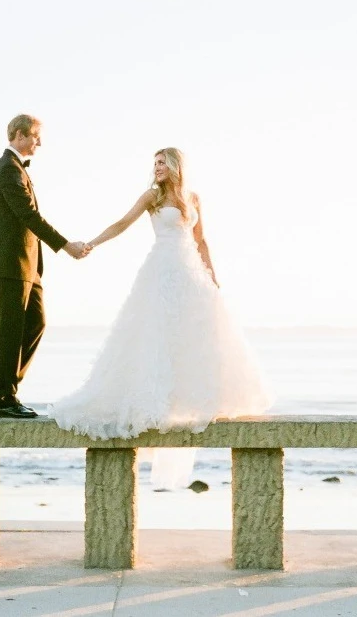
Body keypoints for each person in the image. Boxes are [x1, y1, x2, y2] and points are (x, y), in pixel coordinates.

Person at [51, 147, 272, 487]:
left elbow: (201, 240)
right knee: (157, 334)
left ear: (174, 166)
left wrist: (212, 275)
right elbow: (122, 223)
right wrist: (91, 243)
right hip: (162, 271)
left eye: (161, 163)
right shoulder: (152, 197)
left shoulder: (193, 198)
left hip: (191, 274)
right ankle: (157, 401)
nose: (155, 168)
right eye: (153, 163)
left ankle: (193, 399)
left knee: (197, 337)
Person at [0, 114, 91, 418]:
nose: (39, 142)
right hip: (9, 262)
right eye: (35, 136)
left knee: (35, 322)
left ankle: (7, 388)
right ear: (19, 135)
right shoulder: (7, 169)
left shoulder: (16, 168)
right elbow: (29, 216)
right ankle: (3, 397)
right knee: (9, 330)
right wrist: (65, 245)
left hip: (28, 265)